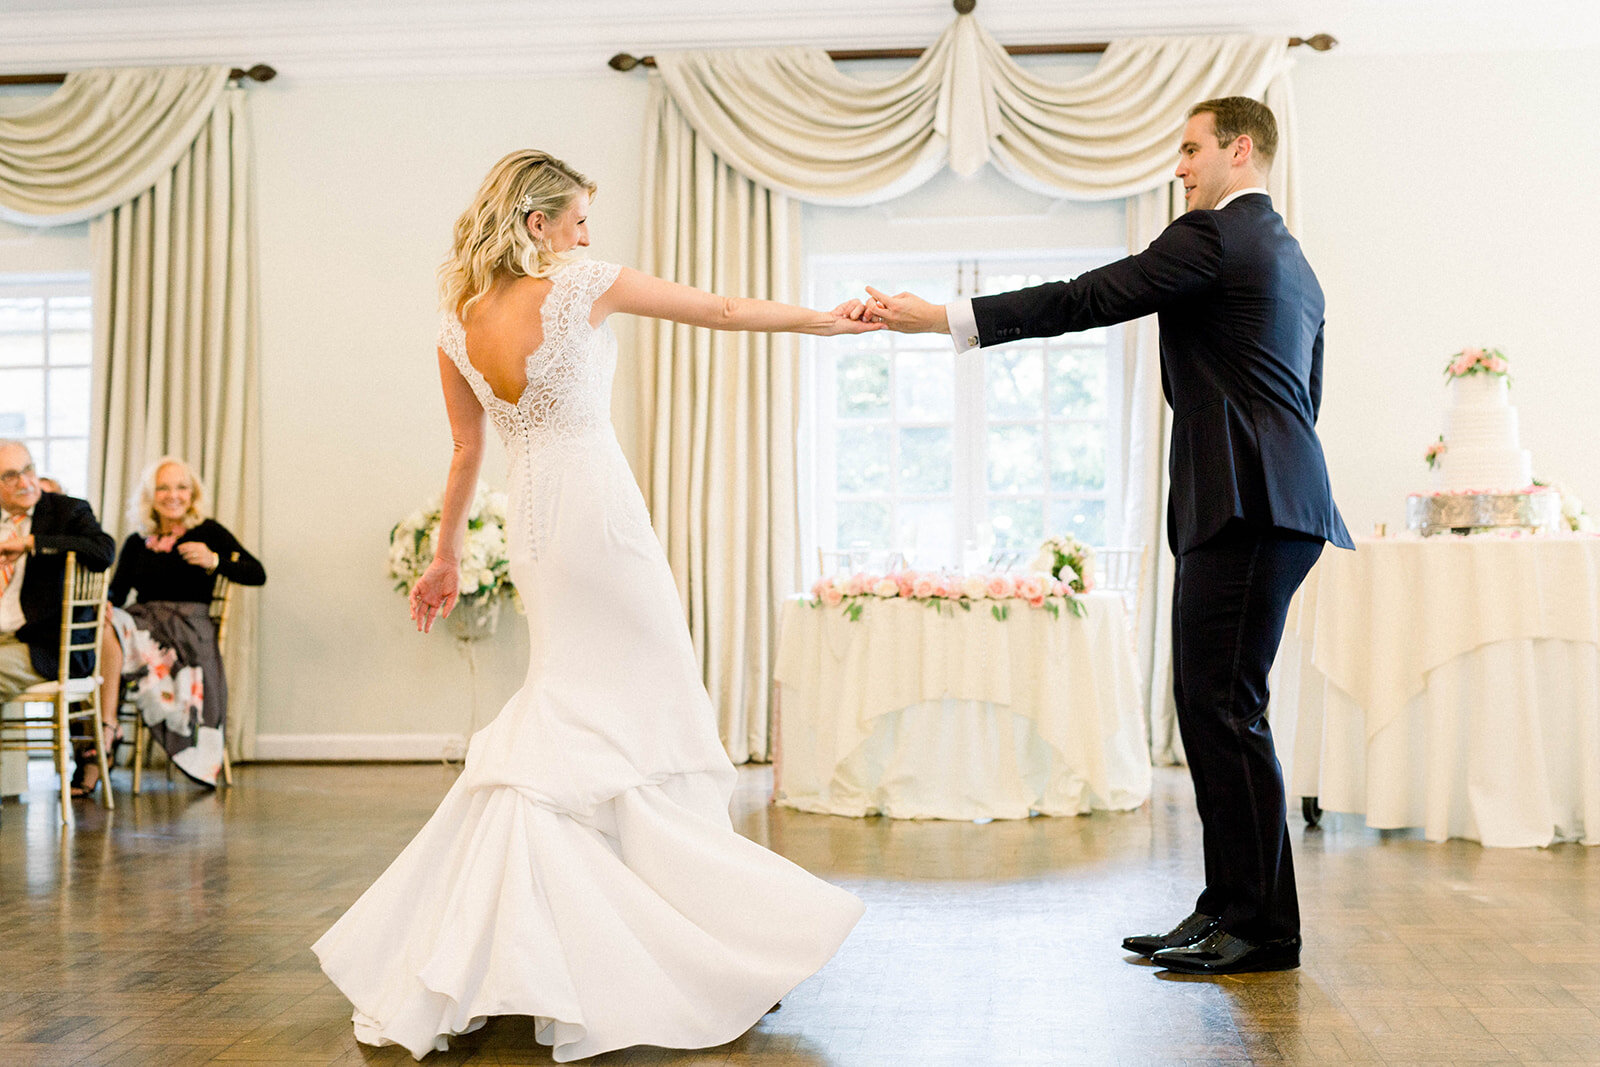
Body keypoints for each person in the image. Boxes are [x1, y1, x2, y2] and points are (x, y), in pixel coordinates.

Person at [313, 150, 871, 1060]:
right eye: (577, 220)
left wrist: (445, 557)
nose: (586, 236)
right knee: (649, 705)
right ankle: (697, 945)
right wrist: (825, 322)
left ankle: (565, 942)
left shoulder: (458, 325)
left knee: (573, 713)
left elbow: (466, 452)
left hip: (533, 528)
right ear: (538, 225)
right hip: (600, 520)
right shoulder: (577, 282)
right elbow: (722, 310)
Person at [857, 97, 1353, 975]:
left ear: (1240, 150)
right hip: (1272, 500)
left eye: (1192, 147)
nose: (1180, 164)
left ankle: (1264, 928)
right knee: (1218, 706)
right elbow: (1304, 397)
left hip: (1246, 503)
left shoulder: (1213, 237)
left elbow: (1089, 296)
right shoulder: (1294, 260)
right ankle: (1228, 907)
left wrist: (944, 317)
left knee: (1224, 708)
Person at [105, 456, 265, 789]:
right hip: (142, 626)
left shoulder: (208, 532)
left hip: (189, 630)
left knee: (119, 638)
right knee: (106, 630)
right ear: (151, 495)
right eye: (163, 487)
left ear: (192, 494)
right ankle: (105, 732)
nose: (173, 495)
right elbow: (117, 594)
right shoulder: (137, 541)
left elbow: (257, 573)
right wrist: (105, 607)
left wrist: (216, 560)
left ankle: (109, 736)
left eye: (182, 487)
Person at [0, 440, 118, 792]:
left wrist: (31, 542)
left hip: (45, 645)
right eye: (10, 476)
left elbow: (103, 550)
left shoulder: (68, 512)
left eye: (29, 469)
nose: (25, 482)